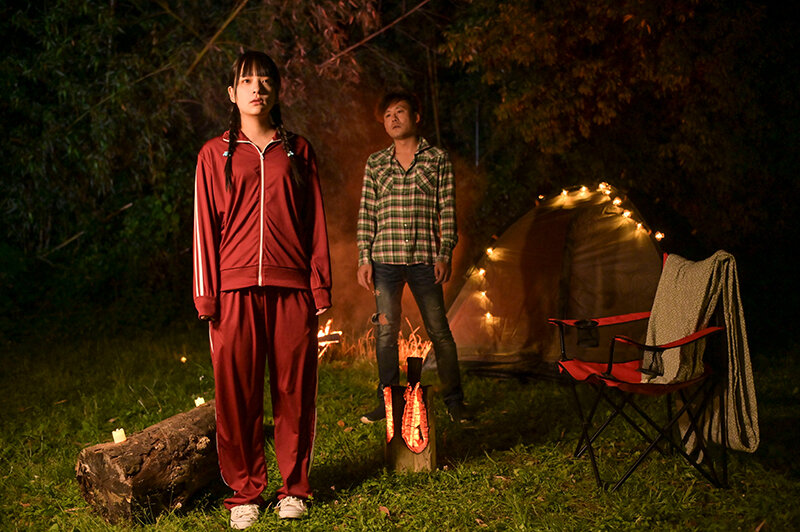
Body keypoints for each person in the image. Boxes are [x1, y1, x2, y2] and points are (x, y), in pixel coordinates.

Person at [193, 51, 331, 528]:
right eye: (247, 81)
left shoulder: (299, 150)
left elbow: (315, 221)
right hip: (233, 291)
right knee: (237, 396)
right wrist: (207, 293)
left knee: (295, 391)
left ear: (277, 90)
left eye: (265, 80)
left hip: (291, 286)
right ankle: (244, 493)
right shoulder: (213, 154)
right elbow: (203, 227)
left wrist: (319, 284)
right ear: (232, 93)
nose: (257, 88)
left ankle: (293, 488)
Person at [356, 90, 470, 425]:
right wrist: (364, 257)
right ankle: (388, 402)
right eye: (388, 115)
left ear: (416, 117)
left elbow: (447, 210)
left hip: (424, 258)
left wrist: (445, 252)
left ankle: (455, 401)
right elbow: (367, 213)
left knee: (439, 331)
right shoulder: (376, 163)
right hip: (384, 259)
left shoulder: (436, 159)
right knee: (386, 333)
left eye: (400, 112)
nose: (393, 119)